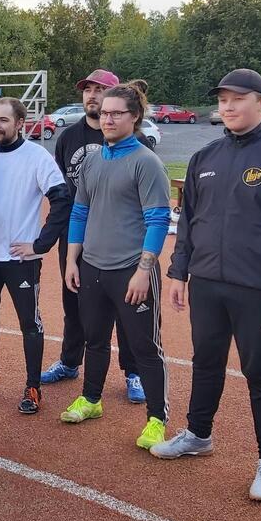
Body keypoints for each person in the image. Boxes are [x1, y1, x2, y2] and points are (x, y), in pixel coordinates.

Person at [153, 68, 261, 502]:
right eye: (223, 99)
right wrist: (179, 272)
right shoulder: (204, 158)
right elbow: (188, 222)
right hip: (207, 283)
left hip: (258, 290)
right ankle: (198, 434)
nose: (228, 107)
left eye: (238, 98)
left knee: (260, 373)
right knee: (205, 361)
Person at [60, 82, 172, 452]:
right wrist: (72, 260)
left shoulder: (146, 162)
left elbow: (158, 220)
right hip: (92, 267)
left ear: (134, 117)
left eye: (116, 113)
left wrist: (143, 270)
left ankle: (156, 420)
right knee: (94, 340)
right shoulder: (92, 160)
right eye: (104, 113)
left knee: (144, 348)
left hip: (130, 270)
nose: (107, 119)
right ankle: (91, 399)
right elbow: (79, 212)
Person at [0, 98, 70, 414]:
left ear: (20, 123)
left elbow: (62, 200)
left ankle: (33, 386)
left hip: (22, 260)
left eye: (3, 120)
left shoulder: (37, 157)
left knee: (29, 323)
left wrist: (40, 244)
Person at [42, 69, 145, 405]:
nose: (92, 95)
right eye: (87, 89)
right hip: (75, 237)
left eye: (100, 90)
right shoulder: (68, 138)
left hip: (118, 240)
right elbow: (62, 190)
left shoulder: (131, 141)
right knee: (74, 303)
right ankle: (70, 362)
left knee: (125, 308)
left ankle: (133, 371)